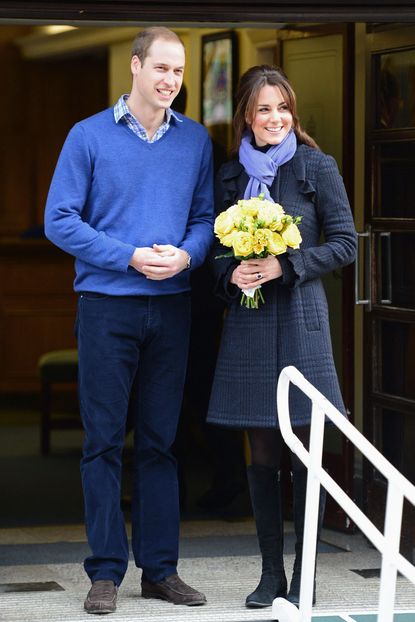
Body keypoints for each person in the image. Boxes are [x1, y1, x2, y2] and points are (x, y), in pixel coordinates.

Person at [44, 27, 214, 614]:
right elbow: (59, 220)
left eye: (179, 71)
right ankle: (105, 572)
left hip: (172, 309)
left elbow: (205, 218)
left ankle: (160, 571)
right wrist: (129, 256)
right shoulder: (87, 135)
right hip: (106, 307)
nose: (171, 81)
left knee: (162, 444)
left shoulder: (193, 141)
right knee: (103, 443)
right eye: (162, 68)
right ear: (135, 67)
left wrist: (188, 254)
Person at [207, 65, 357, 608]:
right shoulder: (227, 177)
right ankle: (271, 574)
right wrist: (232, 273)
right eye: (264, 109)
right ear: (246, 114)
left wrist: (284, 265)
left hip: (301, 325)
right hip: (248, 328)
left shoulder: (318, 165)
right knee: (263, 451)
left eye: (283, 108)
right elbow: (212, 255)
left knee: (305, 454)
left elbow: (346, 244)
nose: (275, 118)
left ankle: (307, 574)